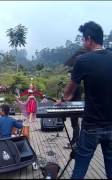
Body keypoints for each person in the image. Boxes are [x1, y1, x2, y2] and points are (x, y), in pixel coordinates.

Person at [60, 21, 112, 179]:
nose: (83, 42)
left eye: (83, 39)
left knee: (80, 169)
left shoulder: (83, 61)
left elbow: (68, 94)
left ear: (89, 39)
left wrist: (62, 99)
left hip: (91, 126)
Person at [62, 49, 88, 149]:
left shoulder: (75, 85)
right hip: (78, 105)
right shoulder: (80, 85)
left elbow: (70, 96)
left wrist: (63, 100)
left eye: (70, 74)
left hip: (73, 107)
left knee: (75, 125)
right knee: (76, 125)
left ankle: (74, 142)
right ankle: (76, 141)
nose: (69, 76)